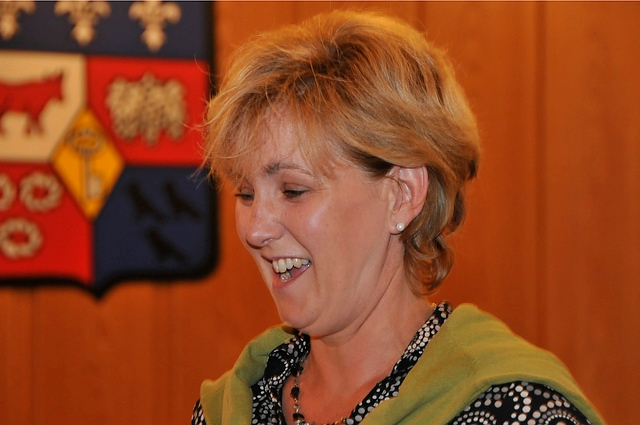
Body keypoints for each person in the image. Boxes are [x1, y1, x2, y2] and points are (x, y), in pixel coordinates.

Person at [193, 10, 605, 425]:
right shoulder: (234, 405)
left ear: (402, 196)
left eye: (293, 191)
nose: (256, 228)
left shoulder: (511, 409)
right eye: (245, 194)